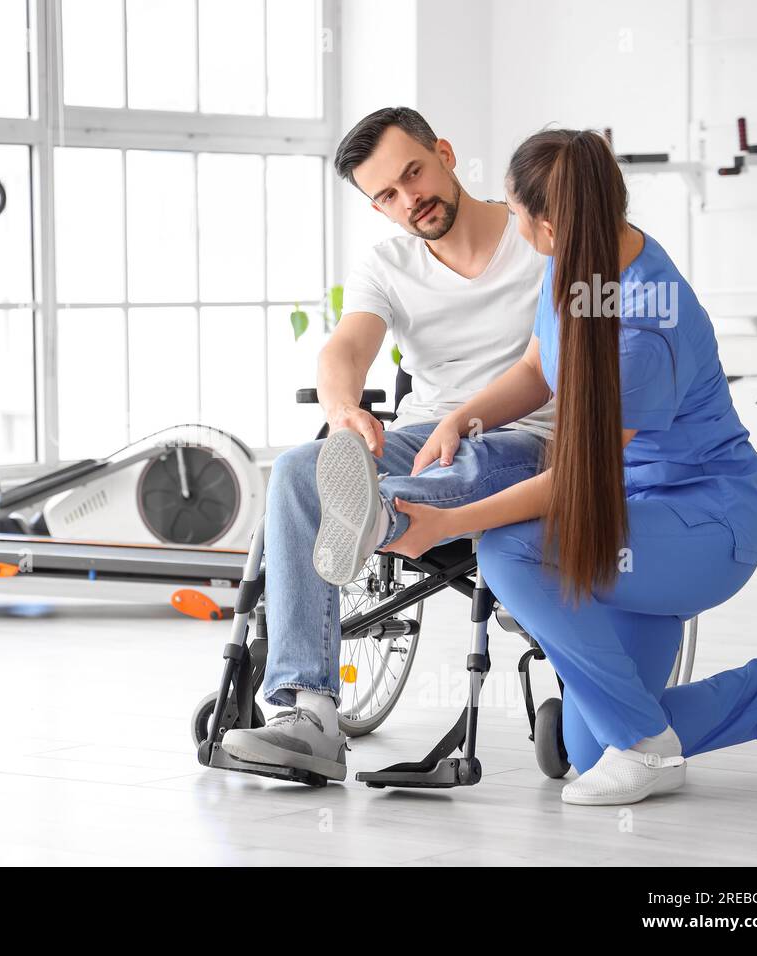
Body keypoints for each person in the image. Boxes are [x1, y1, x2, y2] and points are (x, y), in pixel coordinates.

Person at [315, 127, 757, 806]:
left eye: (517, 213)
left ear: (549, 224)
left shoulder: (644, 327)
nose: (511, 224)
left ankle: (647, 749)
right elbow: (538, 368)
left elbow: (577, 483)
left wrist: (451, 524)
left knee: (509, 551)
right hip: (635, 517)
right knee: (590, 750)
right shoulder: (578, 257)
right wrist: (460, 419)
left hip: (702, 526)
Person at [218, 107, 555, 784]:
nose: (410, 200)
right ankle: (311, 714)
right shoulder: (389, 264)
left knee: (471, 457)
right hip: (421, 438)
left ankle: (375, 515)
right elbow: (346, 347)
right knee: (297, 470)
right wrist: (345, 410)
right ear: (376, 208)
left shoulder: (538, 240)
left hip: (525, 439)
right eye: (388, 196)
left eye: (415, 173)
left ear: (446, 153)